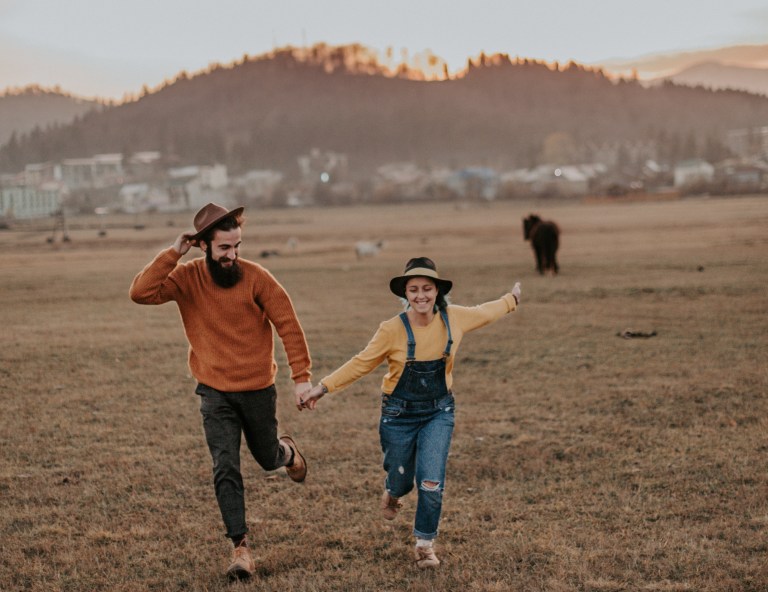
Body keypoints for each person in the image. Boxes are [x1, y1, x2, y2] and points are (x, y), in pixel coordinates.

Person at [129, 203, 312, 581]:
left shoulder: (258, 278)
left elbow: (288, 325)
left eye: (237, 247)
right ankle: (241, 548)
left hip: (258, 389)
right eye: (224, 248)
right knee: (225, 465)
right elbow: (140, 293)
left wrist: (302, 378)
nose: (232, 256)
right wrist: (173, 252)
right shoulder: (186, 278)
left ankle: (287, 452)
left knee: (266, 457)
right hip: (213, 391)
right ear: (204, 247)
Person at [300, 257, 521, 568]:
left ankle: (424, 544)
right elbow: (361, 363)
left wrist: (511, 299)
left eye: (427, 289)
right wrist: (322, 388)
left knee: (431, 481)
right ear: (405, 293)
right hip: (398, 415)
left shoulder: (453, 318)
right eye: (414, 289)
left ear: (437, 291)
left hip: (438, 412)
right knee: (403, 480)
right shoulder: (391, 329)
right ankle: (393, 491)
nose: (421, 296)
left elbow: (486, 312)